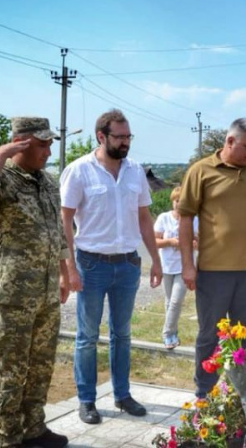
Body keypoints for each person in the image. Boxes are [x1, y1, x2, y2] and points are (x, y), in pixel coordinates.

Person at [0, 116, 71, 448]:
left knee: (40, 365)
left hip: (47, 291)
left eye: (50, 144)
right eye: (42, 144)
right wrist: (1, 153)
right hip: (15, 295)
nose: (48, 151)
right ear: (20, 143)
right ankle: (10, 437)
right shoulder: (3, 179)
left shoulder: (49, 182)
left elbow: (58, 232)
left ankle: (35, 428)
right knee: (13, 369)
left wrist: (66, 272)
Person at [60, 108, 162, 425]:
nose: (125, 142)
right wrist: (71, 268)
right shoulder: (79, 171)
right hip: (91, 264)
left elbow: (144, 218)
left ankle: (122, 394)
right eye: (119, 137)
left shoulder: (134, 172)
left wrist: (155, 259)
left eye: (128, 136)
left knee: (123, 334)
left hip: (128, 264)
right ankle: (87, 400)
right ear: (101, 136)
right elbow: (63, 220)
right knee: (87, 336)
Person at [178, 117, 246, 399]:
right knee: (210, 335)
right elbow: (185, 218)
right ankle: (205, 393)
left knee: (244, 334)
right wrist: (187, 264)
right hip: (213, 271)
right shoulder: (201, 171)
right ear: (230, 141)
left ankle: (238, 392)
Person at [154, 186, 198, 349]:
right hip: (166, 265)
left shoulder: (194, 220)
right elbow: (154, 241)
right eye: (177, 201)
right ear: (172, 201)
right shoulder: (164, 218)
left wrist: (192, 244)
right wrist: (170, 242)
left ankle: (166, 333)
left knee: (176, 301)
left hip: (184, 266)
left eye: (183, 201)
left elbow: (200, 242)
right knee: (168, 301)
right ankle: (173, 333)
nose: (179, 204)